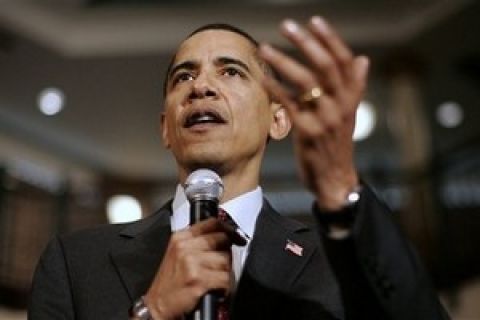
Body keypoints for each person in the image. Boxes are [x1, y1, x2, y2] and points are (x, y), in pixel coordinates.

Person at [28, 17, 449, 320]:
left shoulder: (334, 261)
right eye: (183, 77)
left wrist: (342, 189)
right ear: (165, 129)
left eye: (231, 71)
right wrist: (150, 312)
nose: (202, 87)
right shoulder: (75, 263)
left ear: (278, 119)